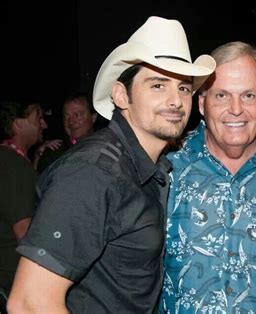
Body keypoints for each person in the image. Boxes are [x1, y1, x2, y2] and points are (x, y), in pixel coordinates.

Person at [7, 16, 215, 313]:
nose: (176, 101)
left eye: (184, 88)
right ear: (121, 95)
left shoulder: (147, 167)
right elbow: (29, 303)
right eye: (158, 85)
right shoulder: (94, 172)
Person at [159, 41, 256, 313]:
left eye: (249, 95)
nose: (236, 109)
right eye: (221, 95)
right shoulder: (168, 167)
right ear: (202, 103)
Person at [0, 100, 47, 297]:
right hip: (13, 279)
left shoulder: (6, 158)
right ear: (18, 124)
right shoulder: (16, 166)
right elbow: (24, 233)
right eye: (38, 118)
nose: (43, 125)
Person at [36, 93, 97, 173]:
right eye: (66, 116)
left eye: (77, 115)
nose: (71, 122)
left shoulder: (106, 149)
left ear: (93, 117)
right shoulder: (54, 155)